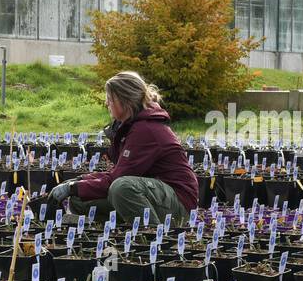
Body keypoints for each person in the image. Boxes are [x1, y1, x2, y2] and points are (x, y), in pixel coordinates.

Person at [49, 71, 198, 226]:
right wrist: (79, 182)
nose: (107, 103)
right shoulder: (132, 126)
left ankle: (152, 238)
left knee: (121, 188)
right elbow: (118, 172)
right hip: (157, 196)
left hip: (179, 203)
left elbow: (118, 179)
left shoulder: (146, 130)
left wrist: (73, 187)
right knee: (80, 200)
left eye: (110, 99)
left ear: (124, 100)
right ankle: (119, 234)